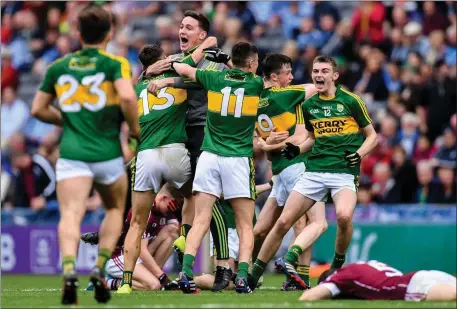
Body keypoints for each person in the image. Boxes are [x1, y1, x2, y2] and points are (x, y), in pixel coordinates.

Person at [30, 4, 140, 305]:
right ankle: (99, 267)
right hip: (107, 154)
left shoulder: (59, 66)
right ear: (110, 32)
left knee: (70, 214)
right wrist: (133, 130)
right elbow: (129, 96)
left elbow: (37, 108)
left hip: (73, 154)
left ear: (78, 33)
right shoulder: (115, 63)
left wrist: (65, 118)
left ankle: (68, 271)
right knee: (116, 210)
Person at [250, 55, 378, 290]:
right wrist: (294, 148)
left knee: (339, 217)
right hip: (312, 170)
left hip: (342, 172)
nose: (319, 75)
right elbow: (308, 138)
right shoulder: (308, 106)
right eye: (315, 71)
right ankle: (254, 274)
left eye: (324, 71)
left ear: (335, 75)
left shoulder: (350, 101)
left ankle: (330, 265)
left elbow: (372, 136)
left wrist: (359, 155)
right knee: (285, 223)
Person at [116, 38, 217, 294]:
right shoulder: (175, 74)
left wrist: (148, 71)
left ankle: (126, 282)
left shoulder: (138, 86)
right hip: (175, 150)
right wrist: (173, 62)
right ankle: (184, 235)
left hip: (147, 156)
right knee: (192, 193)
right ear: (161, 61)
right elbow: (207, 46)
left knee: (137, 223)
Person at [144, 11, 233, 288]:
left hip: (206, 133)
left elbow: (196, 79)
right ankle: (183, 253)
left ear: (202, 35)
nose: (182, 30)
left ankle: (222, 268)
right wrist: (149, 71)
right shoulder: (179, 59)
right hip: (181, 136)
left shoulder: (214, 58)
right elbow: (148, 79)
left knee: (208, 201)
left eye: (189, 27)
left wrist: (169, 77)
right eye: (181, 26)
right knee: (190, 197)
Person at [171, 41, 264, 294]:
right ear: (253, 64)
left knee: (200, 219)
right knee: (245, 224)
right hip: (237, 159)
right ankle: (242, 277)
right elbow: (243, 72)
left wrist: (216, 60)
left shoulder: (212, 78)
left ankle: (185, 272)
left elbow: (183, 69)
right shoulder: (255, 84)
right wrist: (228, 60)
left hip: (209, 156)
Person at [253, 53, 326, 291]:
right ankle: (299, 276)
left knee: (262, 229)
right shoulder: (285, 95)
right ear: (274, 77)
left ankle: (244, 271)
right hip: (296, 166)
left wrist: (266, 145)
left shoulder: (254, 101)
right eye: (288, 73)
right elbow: (315, 88)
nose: (292, 77)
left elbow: (259, 146)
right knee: (305, 222)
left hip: (278, 171)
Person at [82, 186, 181, 291]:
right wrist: (162, 277)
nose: (175, 207)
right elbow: (142, 251)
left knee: (172, 232)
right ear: (164, 198)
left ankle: (152, 277)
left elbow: (177, 231)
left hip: (139, 255)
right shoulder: (146, 211)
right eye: (175, 203)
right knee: (154, 285)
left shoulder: (167, 212)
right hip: (121, 256)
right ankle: (108, 282)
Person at [299, 260, 456, 302]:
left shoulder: (341, 276)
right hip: (427, 275)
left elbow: (308, 297)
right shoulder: (363, 264)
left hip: (411, 286)